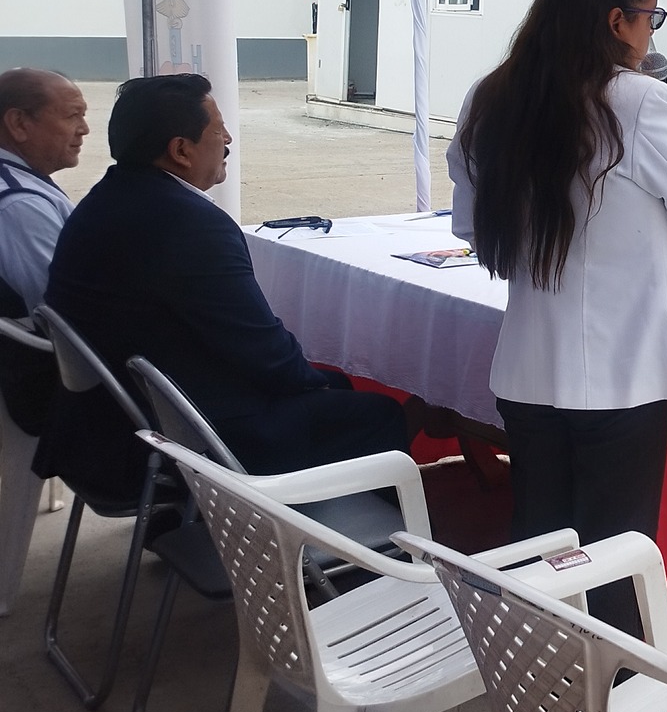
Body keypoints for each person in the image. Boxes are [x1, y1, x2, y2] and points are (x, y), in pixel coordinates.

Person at [449, 0, 667, 635]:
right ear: (617, 20)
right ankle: (612, 697)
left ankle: (533, 681)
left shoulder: (490, 96)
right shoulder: (637, 101)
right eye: (651, 16)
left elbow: (467, 222)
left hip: (529, 367)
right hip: (623, 373)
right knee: (613, 552)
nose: (651, 32)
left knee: (538, 537)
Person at [47, 74, 411, 477]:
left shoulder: (103, 201)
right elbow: (261, 348)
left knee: (331, 383)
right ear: (181, 150)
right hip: (180, 438)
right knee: (378, 412)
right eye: (219, 131)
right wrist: (315, 381)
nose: (229, 141)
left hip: (112, 420)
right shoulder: (190, 225)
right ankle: (346, 537)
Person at [0, 69, 88, 437]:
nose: (84, 129)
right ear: (19, 123)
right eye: (72, 115)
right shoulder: (19, 205)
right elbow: (64, 314)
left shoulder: (22, 183)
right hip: (41, 386)